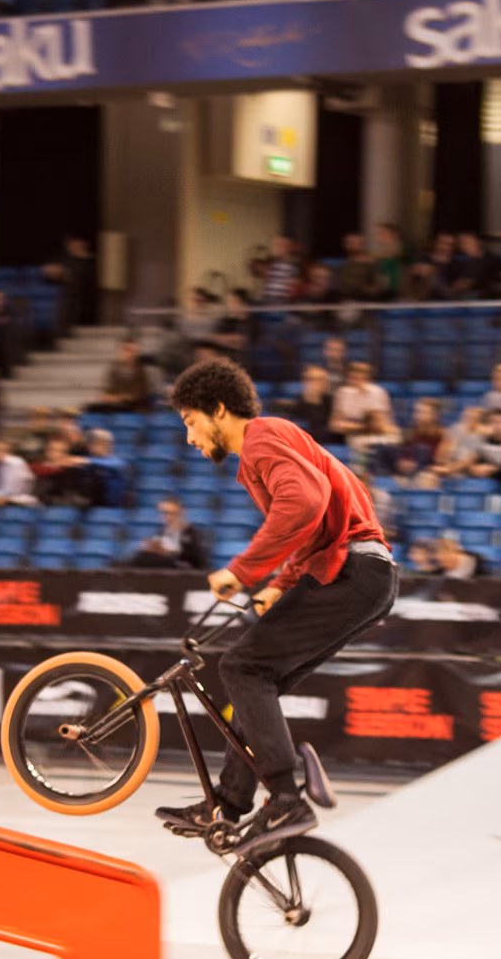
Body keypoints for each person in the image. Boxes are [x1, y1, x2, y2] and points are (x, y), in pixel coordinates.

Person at [155, 357, 398, 846]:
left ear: (218, 410)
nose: (189, 437)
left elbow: (303, 504)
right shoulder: (273, 443)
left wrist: (243, 570)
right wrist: (277, 586)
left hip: (354, 574)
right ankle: (228, 803)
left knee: (242, 668)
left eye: (190, 421)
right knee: (255, 681)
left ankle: (287, 799)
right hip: (363, 575)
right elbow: (314, 525)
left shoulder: (262, 438)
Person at [327, 361, 398, 454]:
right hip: (353, 435)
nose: (355, 380)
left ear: (367, 378)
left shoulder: (377, 392)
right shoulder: (343, 393)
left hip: (379, 433)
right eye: (352, 377)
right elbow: (335, 425)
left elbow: (379, 424)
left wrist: (354, 425)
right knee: (359, 443)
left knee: (390, 441)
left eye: (359, 377)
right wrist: (363, 426)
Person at [129, 496, 211, 569]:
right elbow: (147, 545)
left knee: (144, 558)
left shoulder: (191, 532)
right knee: (140, 556)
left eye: (170, 513)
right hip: (164, 565)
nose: (167, 517)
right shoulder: (162, 531)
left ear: (181, 513)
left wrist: (168, 552)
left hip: (182, 567)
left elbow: (194, 558)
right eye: (163, 513)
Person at [276, 365, 337, 441]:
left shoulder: (332, 401)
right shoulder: (297, 402)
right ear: (304, 382)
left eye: (321, 380)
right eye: (311, 379)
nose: (316, 383)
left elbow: (331, 428)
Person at [97, 338, 155, 412]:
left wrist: (117, 398)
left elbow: (136, 396)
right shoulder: (114, 370)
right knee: (91, 409)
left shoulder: (142, 371)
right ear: (121, 352)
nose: (131, 354)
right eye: (127, 350)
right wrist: (112, 398)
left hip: (135, 409)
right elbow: (106, 395)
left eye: (134, 351)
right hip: (116, 407)